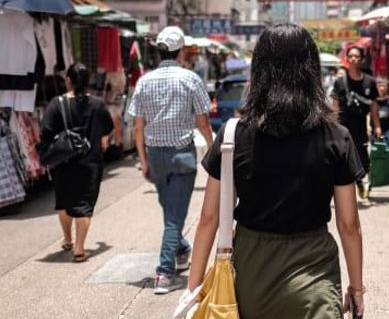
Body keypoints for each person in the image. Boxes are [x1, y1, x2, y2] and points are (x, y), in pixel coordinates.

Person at [185, 23, 365, 318]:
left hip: (250, 273)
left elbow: (209, 218)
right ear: (311, 70)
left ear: (259, 69)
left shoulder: (234, 135)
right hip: (314, 272)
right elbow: (349, 225)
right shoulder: (336, 136)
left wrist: (193, 289)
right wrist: (356, 290)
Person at [129, 26, 213, 295]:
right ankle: (165, 273)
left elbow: (137, 127)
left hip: (156, 156)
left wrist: (144, 161)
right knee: (175, 216)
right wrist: (212, 148)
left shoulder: (145, 81)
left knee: (170, 211)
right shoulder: (190, 79)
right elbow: (202, 121)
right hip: (182, 154)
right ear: (182, 50)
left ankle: (182, 249)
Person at [40, 63, 114, 262]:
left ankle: (67, 239)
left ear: (69, 81)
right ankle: (80, 248)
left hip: (63, 163)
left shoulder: (56, 104)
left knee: (64, 202)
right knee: (84, 205)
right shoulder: (98, 104)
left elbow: (45, 132)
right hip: (90, 163)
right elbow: (108, 128)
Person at [331, 46, 381, 200]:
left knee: (363, 161)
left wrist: (377, 125)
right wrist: (333, 126)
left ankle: (359, 181)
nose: (353, 59)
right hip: (343, 127)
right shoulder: (340, 82)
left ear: (362, 59)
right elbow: (335, 105)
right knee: (342, 158)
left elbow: (373, 106)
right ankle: (345, 189)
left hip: (360, 127)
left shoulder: (370, 82)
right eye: (350, 56)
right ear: (347, 59)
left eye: (356, 56)